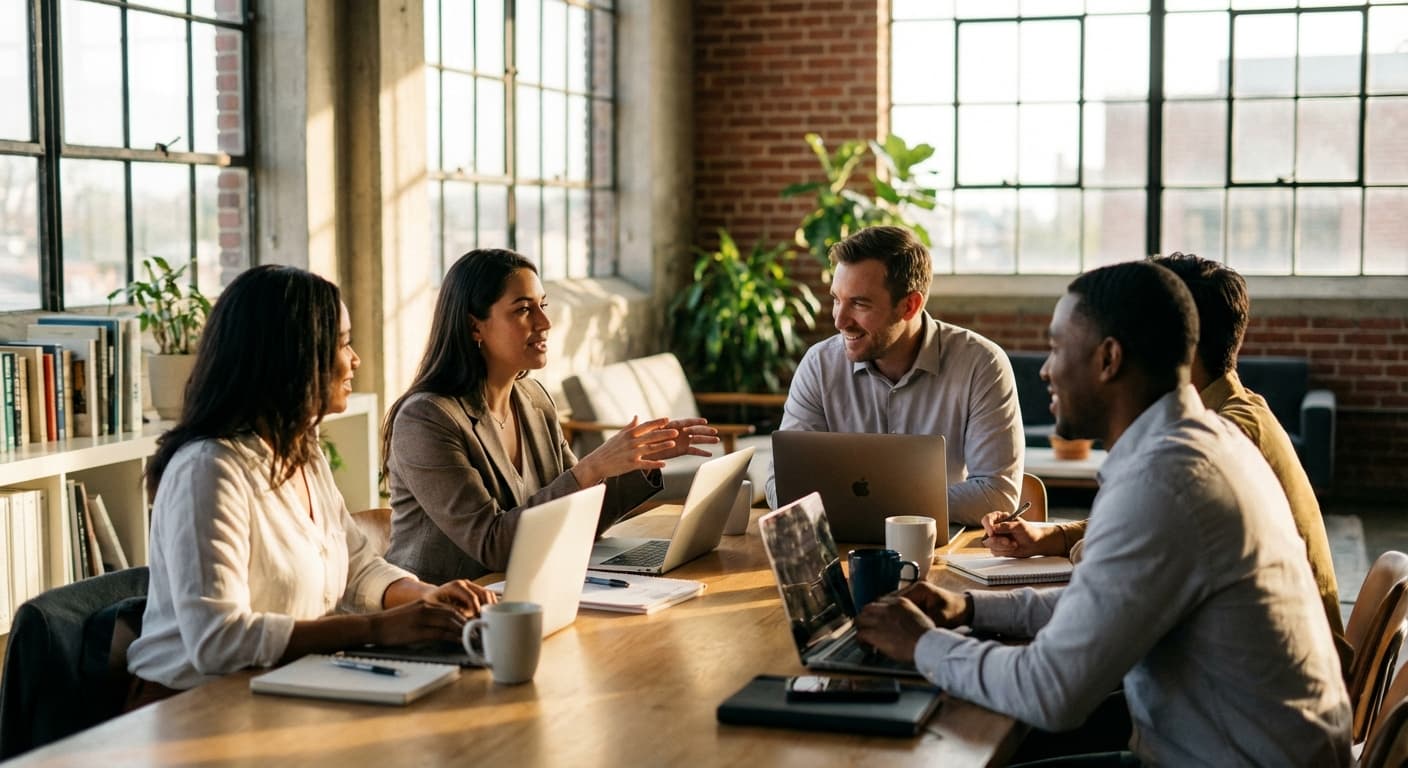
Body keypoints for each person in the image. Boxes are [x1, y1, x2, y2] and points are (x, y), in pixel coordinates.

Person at [856, 261, 1351, 766]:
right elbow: (1099, 600)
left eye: (1055, 348)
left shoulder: (1164, 480)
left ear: (1109, 358)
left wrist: (922, 644)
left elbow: (1051, 692)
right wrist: (969, 609)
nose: (1045, 370)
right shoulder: (1205, 439)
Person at [127, 265, 495, 705]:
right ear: (294, 355)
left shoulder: (302, 448)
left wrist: (428, 598)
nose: (355, 358)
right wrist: (378, 628)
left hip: (289, 686)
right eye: (342, 342)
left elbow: (358, 566)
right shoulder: (209, 470)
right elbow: (217, 641)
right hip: (195, 706)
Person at [982, 252, 1350, 672]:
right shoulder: (1235, 410)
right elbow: (1164, 527)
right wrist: (1056, 537)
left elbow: (1146, 550)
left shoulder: (1215, 441)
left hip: (1261, 676)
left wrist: (1090, 549)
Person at [382, 249, 718, 584]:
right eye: (523, 310)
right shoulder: (426, 420)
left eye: (542, 305)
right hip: (446, 613)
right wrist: (592, 467)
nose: (545, 323)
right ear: (474, 326)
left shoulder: (534, 400)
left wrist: (639, 461)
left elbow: (577, 518)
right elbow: (493, 545)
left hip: (531, 589)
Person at [763, 225, 1023, 525]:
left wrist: (865, 505)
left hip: (936, 553)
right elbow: (781, 486)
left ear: (910, 305)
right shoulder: (819, 365)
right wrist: (902, 506)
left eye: (859, 304)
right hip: (838, 550)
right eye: (837, 299)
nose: (839, 321)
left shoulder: (982, 364)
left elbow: (997, 495)